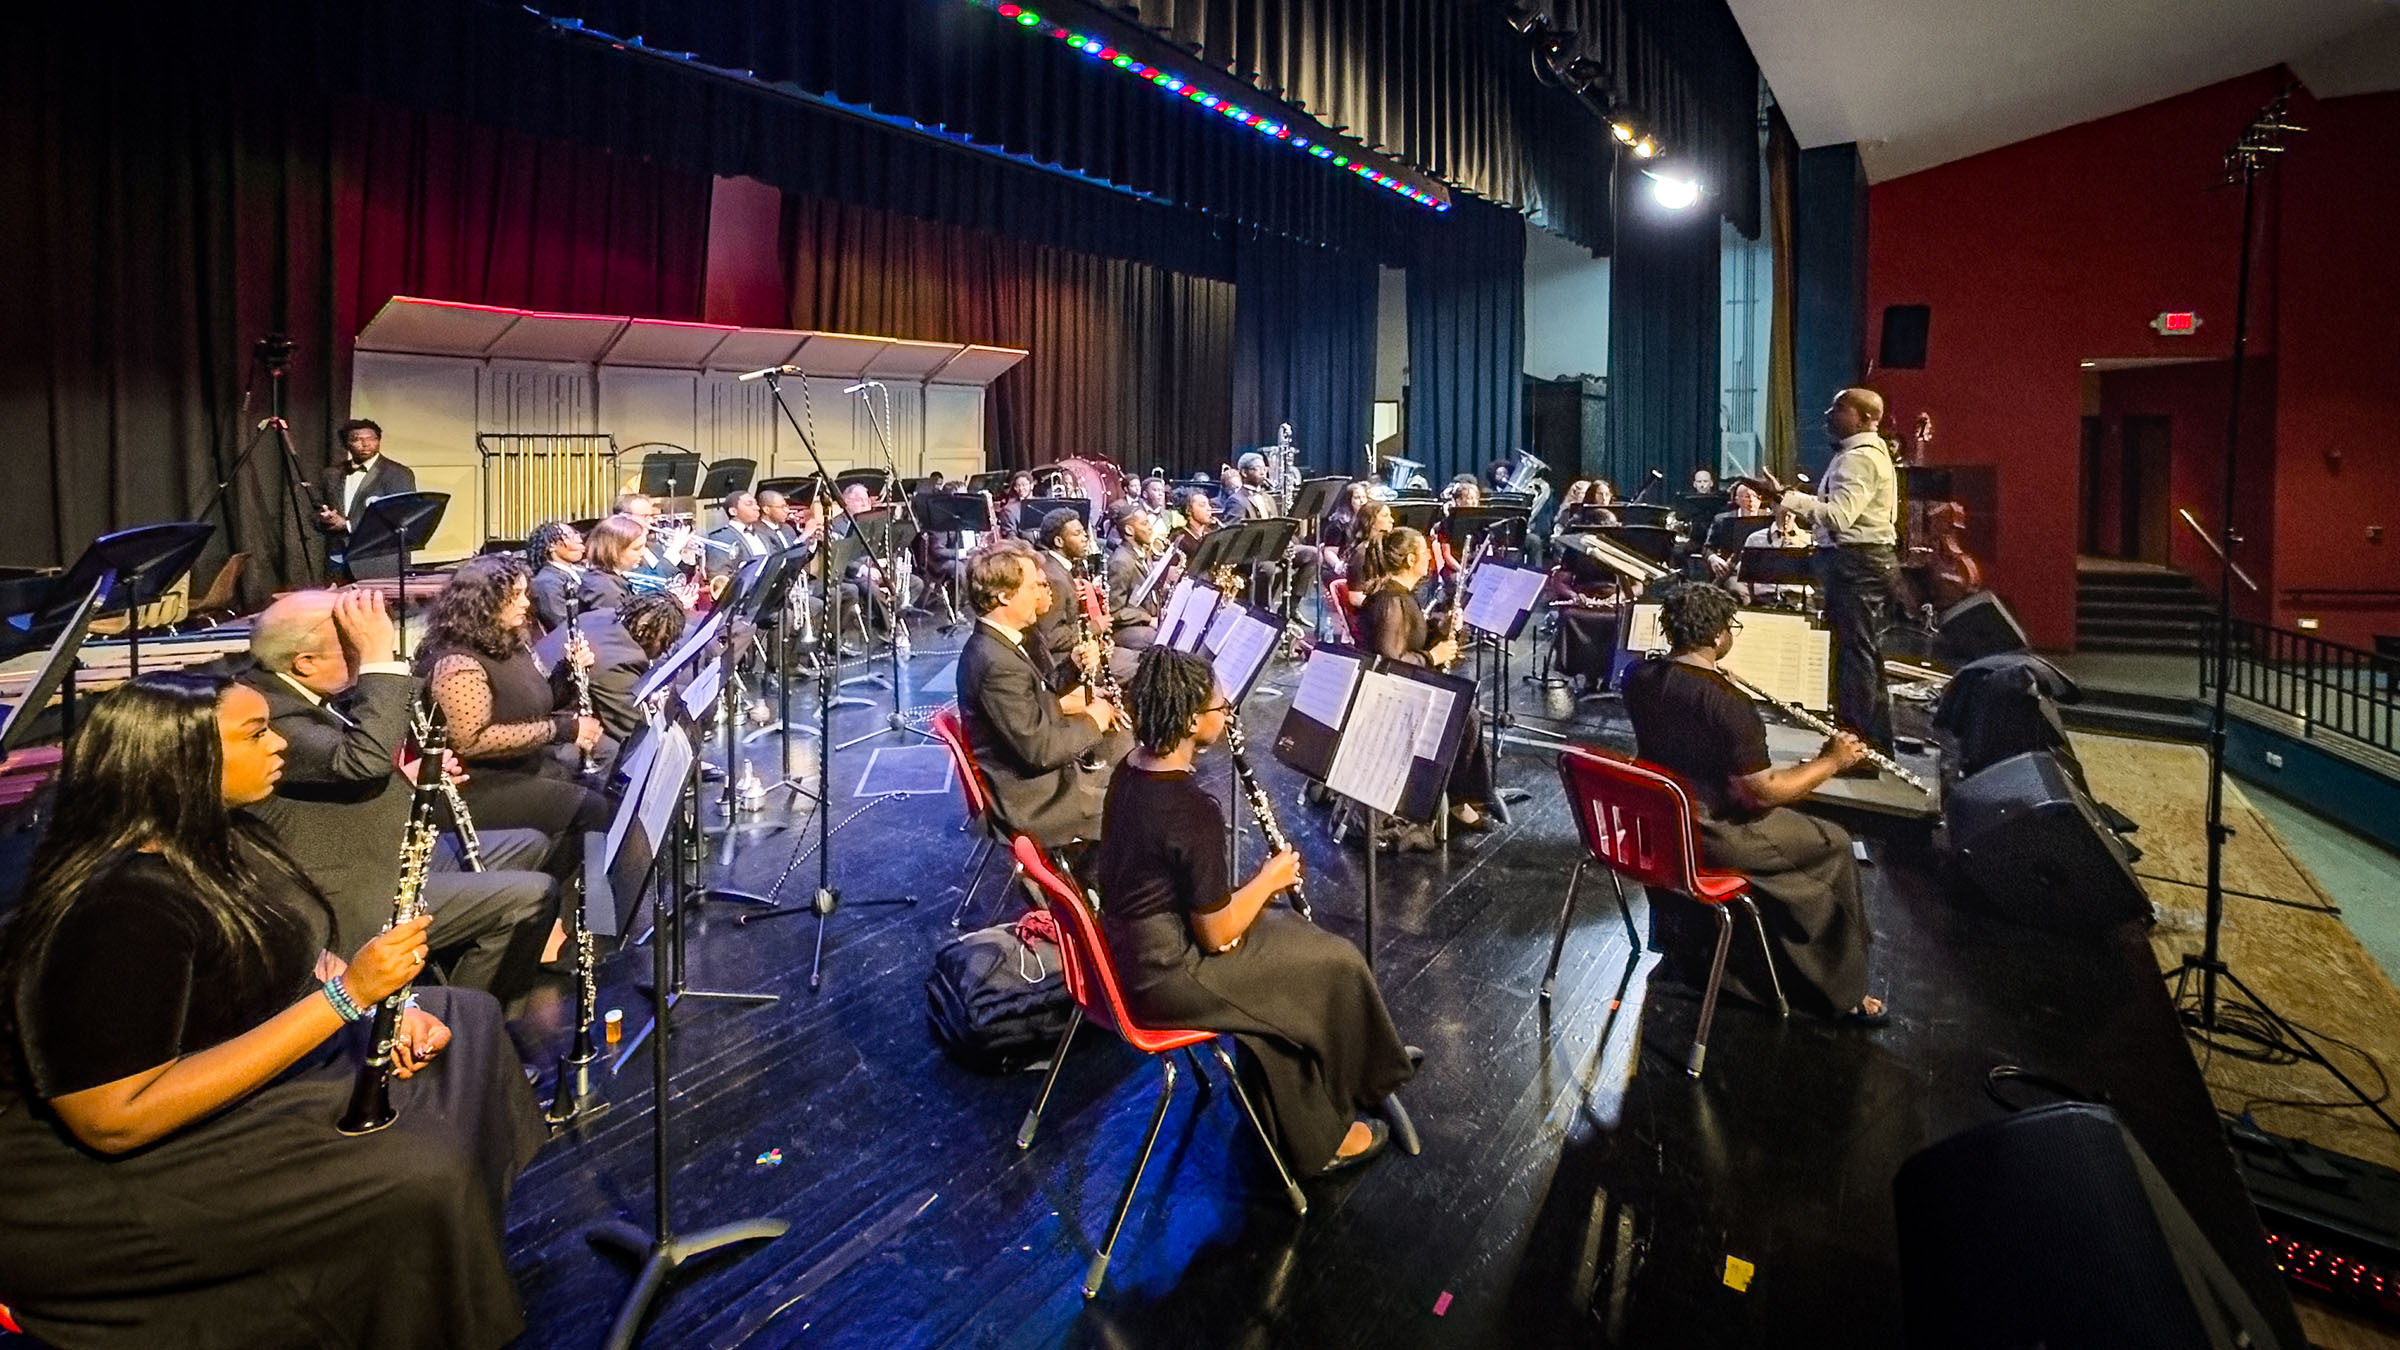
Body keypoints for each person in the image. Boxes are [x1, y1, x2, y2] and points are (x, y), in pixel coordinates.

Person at [0, 672, 544, 1348]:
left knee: (467, 1017)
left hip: (222, 1059)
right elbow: (112, 1119)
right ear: (179, 762)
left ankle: (448, 1257)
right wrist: (351, 1000)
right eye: (256, 733)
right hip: (105, 1185)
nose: (281, 743)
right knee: (418, 1166)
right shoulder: (117, 908)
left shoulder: (223, 836)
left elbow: (296, 951)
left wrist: (383, 1010)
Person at [1096, 647, 1417, 1174]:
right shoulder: (1190, 809)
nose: (1227, 716)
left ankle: (1358, 1070)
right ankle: (1328, 1131)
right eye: (1220, 709)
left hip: (1136, 951)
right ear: (1187, 720)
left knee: (1304, 948)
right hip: (1168, 975)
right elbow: (1217, 933)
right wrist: (1270, 880)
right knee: (1332, 962)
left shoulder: (1128, 771)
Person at [241, 589, 557, 998]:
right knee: (530, 898)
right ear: (305, 663)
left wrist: (408, 775)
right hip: (346, 887)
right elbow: (361, 760)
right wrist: (378, 655)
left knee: (528, 845)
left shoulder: (303, 693)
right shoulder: (270, 714)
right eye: (351, 646)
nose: (360, 654)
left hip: (379, 848)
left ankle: (447, 979)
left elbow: (349, 768)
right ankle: (467, 1018)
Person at [1618, 583, 1883, 1023]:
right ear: (1720, 636)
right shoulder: (1728, 703)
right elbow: (1760, 794)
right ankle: (1838, 991)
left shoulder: (1637, 678)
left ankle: (1720, 960)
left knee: (1798, 836)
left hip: (1662, 825)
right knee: (1833, 843)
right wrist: (1831, 762)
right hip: (1715, 833)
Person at [415, 556, 610, 859]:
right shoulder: (457, 663)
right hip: (477, 786)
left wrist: (568, 673)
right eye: (514, 596)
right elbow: (471, 741)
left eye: (524, 593)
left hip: (518, 766)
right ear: (483, 603)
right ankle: (549, 898)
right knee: (590, 808)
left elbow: (532, 704)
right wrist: (563, 730)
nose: (525, 603)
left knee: (600, 788)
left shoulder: (509, 642)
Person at [1745, 387, 1901, 754]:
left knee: (1854, 660)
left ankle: (1856, 747)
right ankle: (1870, 744)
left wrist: (1786, 496)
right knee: (1863, 656)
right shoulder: (1864, 453)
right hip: (1863, 563)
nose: (1829, 414)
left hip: (1857, 566)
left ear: (1864, 418)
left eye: (1839, 408)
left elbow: (1840, 517)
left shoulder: (1858, 458)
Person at [954, 540, 1125, 849]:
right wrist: (1094, 720)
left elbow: (1033, 698)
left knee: (1131, 783)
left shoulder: (996, 644)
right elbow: (1041, 750)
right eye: (1032, 586)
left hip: (1036, 785)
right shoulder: (995, 663)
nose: (1040, 594)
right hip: (1035, 803)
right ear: (1004, 596)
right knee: (1137, 803)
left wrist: (1072, 667)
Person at [1353, 528, 1494, 836]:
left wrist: (1440, 627)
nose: (1431, 557)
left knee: (1466, 705)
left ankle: (1468, 795)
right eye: (1426, 553)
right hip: (1390, 698)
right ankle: (1459, 800)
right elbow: (1388, 664)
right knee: (1464, 714)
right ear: (1412, 559)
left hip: (1408, 687)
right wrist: (1433, 655)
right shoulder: (1389, 600)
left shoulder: (1402, 595)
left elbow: (1410, 639)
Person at [535, 590, 689, 744]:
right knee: (612, 747)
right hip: (543, 727)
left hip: (539, 686)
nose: (664, 650)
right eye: (665, 642)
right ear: (644, 632)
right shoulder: (624, 662)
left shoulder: (606, 615)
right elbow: (628, 727)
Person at [315, 418, 418, 580]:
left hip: (380, 561)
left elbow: (400, 515)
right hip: (339, 559)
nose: (365, 444)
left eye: (371, 439)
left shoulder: (397, 473)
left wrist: (348, 524)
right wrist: (326, 518)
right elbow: (318, 508)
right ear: (345, 444)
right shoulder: (331, 474)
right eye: (357, 439)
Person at [1105, 503, 1167, 650]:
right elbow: (1114, 611)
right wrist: (1148, 619)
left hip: (1146, 620)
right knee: (1163, 642)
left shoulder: (1143, 553)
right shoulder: (1121, 562)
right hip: (1127, 629)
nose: (1150, 528)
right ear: (1129, 530)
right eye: (1144, 524)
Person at [578, 513, 648, 614]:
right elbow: (614, 628)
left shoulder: (610, 580)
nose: (643, 553)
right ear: (613, 550)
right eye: (636, 548)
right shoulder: (605, 590)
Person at [525, 519, 586, 633]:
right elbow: (562, 625)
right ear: (551, 546)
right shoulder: (547, 582)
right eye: (570, 536)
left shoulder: (581, 571)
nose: (579, 539)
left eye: (576, 533)